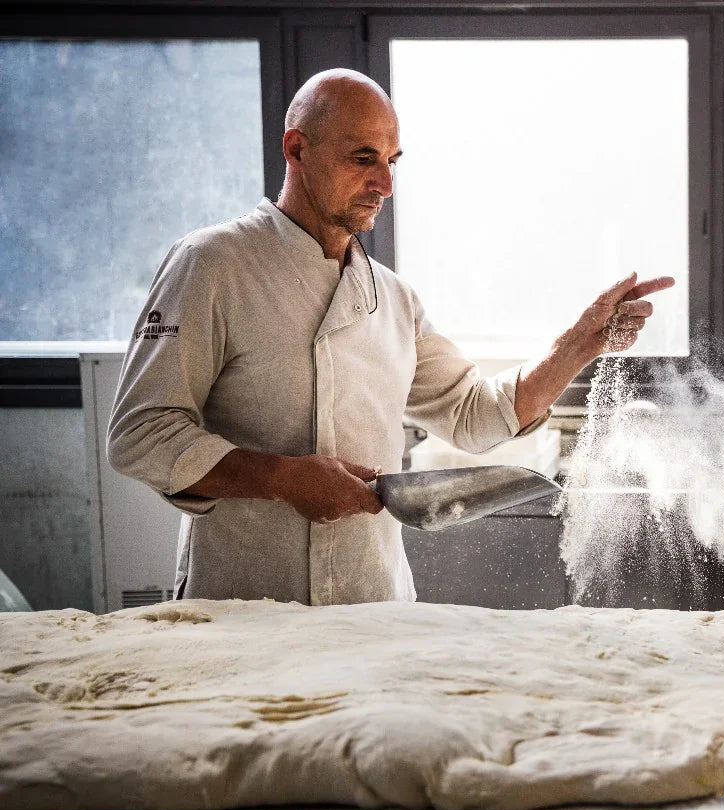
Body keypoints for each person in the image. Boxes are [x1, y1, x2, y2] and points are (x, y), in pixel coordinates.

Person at [108, 69, 674, 605]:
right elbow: (141, 433)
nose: (385, 183)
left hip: (371, 602)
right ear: (297, 149)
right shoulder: (214, 264)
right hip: (243, 600)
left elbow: (478, 414)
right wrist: (282, 479)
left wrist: (580, 343)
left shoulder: (393, 299)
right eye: (364, 159)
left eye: (392, 161)